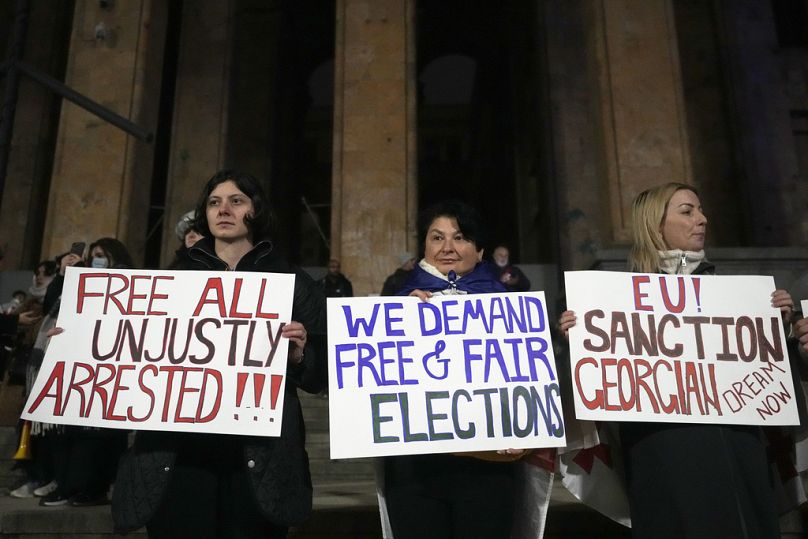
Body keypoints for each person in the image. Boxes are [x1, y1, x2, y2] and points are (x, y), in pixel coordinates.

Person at [558, 182, 787, 538]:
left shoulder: (736, 297)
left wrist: (780, 327)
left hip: (736, 452)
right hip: (663, 452)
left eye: (700, 209)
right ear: (655, 225)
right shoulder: (615, 304)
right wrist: (577, 341)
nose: (703, 219)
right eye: (687, 211)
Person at [112, 170, 326, 538]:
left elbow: (323, 375)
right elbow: (126, 348)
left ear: (255, 211)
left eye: (236, 201)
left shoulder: (291, 281)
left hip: (258, 458)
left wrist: (301, 356)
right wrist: (75, 340)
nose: (223, 209)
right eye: (214, 202)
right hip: (179, 457)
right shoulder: (171, 280)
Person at [381, 200, 541, 539]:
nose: (448, 248)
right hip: (416, 468)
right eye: (437, 237)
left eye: (461, 237)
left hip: (488, 465)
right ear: (424, 245)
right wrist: (398, 319)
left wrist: (522, 426)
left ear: (480, 251)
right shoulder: (396, 301)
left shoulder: (508, 305)